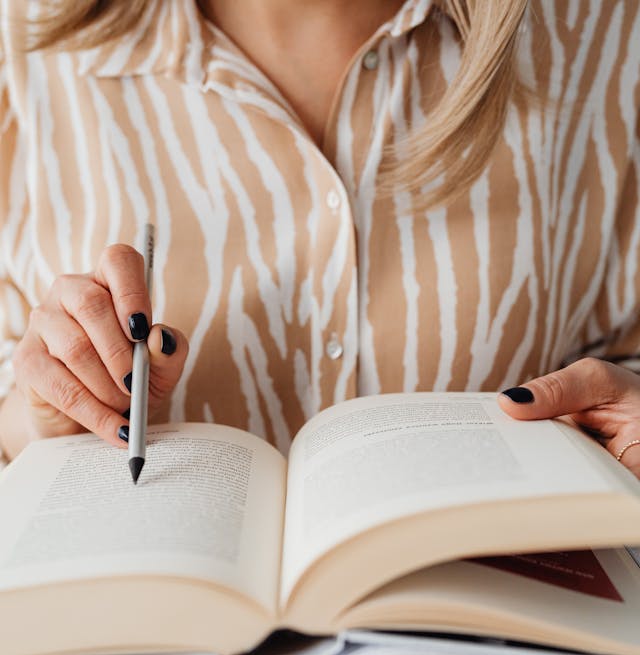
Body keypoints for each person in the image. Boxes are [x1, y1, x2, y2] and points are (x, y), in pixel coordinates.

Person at [0, 0, 639, 475]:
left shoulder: (601, 38)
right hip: (145, 638)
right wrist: (42, 419)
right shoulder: (24, 46)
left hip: (486, 641)